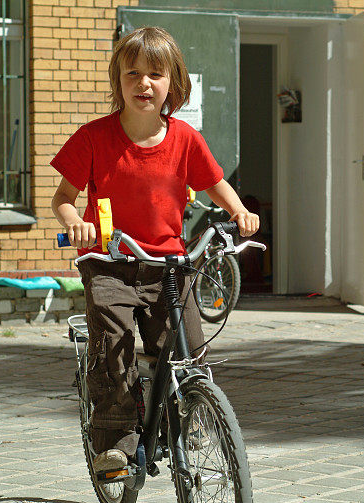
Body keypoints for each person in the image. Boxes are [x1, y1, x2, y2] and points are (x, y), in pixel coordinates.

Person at [50, 27, 259, 472]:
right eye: (132, 74)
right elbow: (62, 198)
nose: (143, 83)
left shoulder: (184, 138)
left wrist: (240, 211)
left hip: (168, 263)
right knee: (114, 344)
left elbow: (214, 183)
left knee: (186, 346)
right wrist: (76, 225)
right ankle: (115, 445)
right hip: (109, 262)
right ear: (118, 81)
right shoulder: (93, 138)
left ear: (173, 82)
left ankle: (190, 414)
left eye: (155, 74)